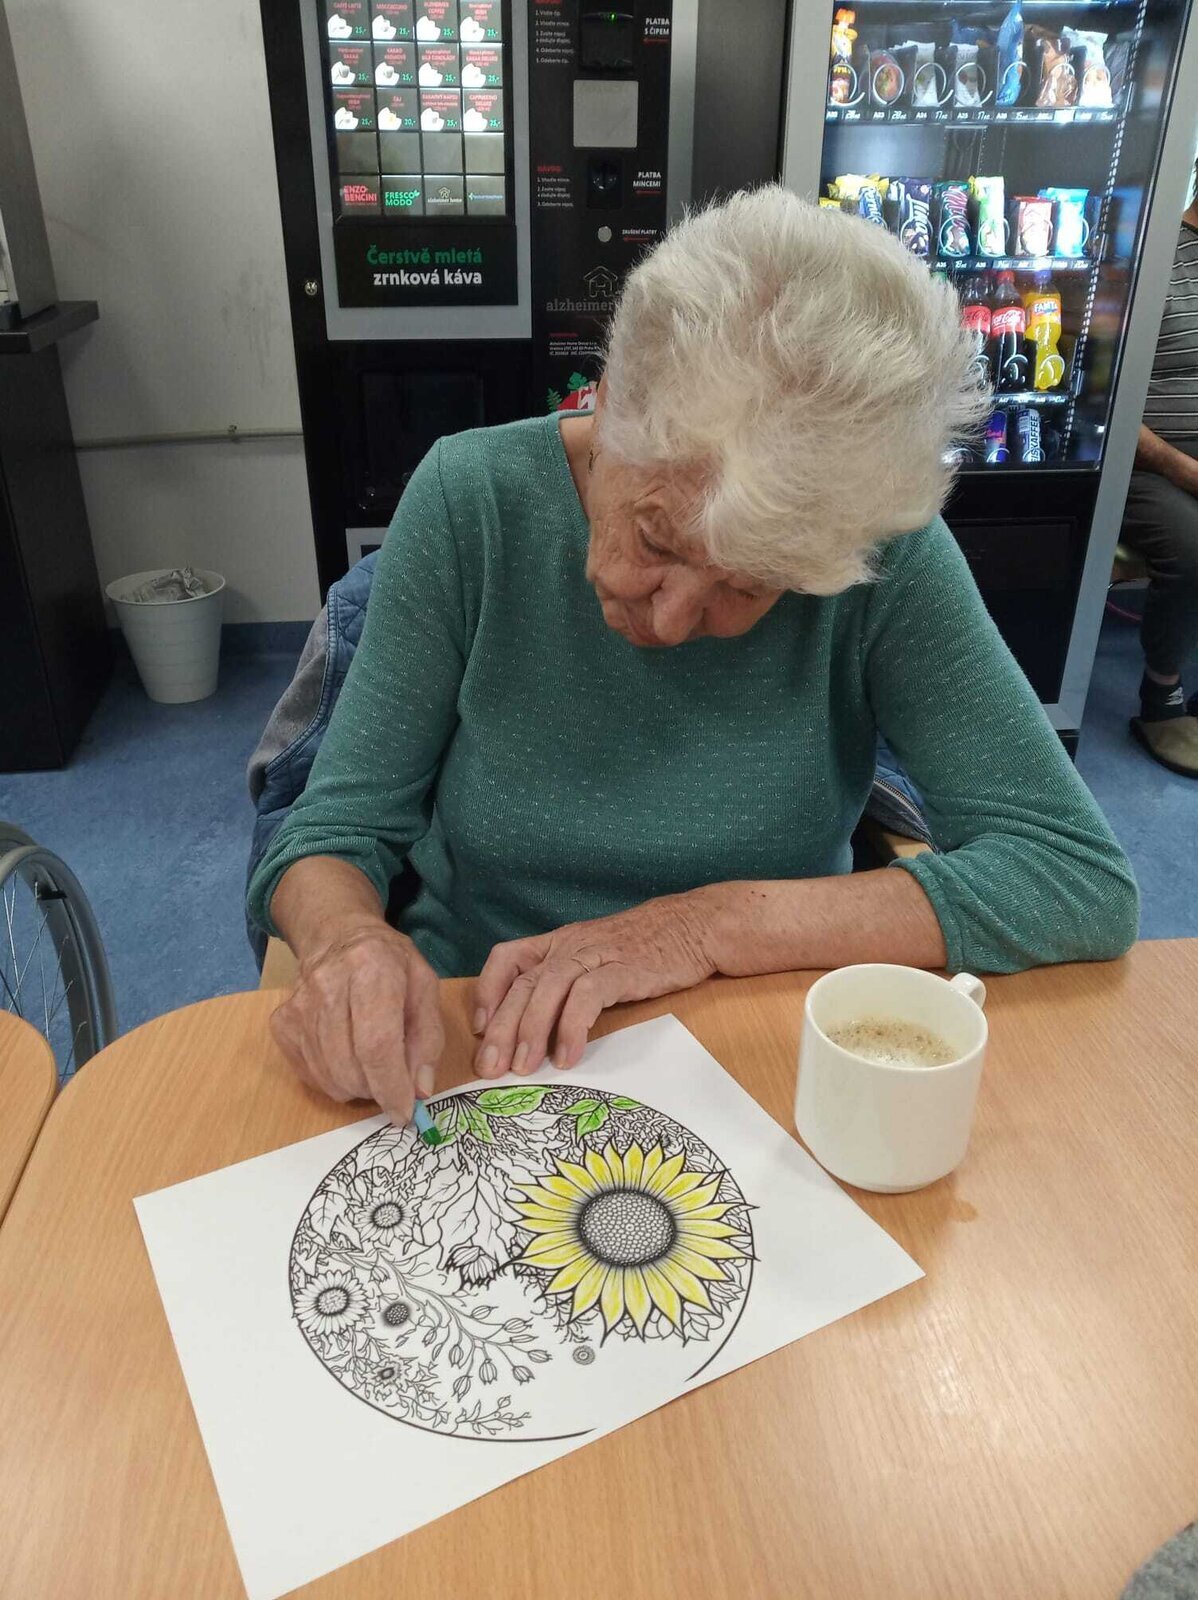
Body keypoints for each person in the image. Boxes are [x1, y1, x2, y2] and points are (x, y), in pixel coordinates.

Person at [248, 187, 1138, 1124]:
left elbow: (1074, 877)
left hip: (769, 1045)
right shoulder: (471, 503)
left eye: (750, 587)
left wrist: (706, 927)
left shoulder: (874, 548)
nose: (670, 622)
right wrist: (346, 942)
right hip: (483, 1046)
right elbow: (332, 831)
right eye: (656, 539)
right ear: (606, 406)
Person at [1120, 160, 1198, 775]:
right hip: (1148, 462)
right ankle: (1162, 700)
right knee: (1192, 544)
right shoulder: (1154, 259)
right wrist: (1183, 469)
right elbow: (1111, 396)